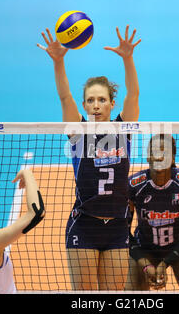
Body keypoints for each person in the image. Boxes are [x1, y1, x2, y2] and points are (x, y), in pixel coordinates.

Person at [38, 25, 141, 290]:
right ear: (84, 105)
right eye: (91, 100)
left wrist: (128, 59)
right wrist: (59, 61)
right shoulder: (78, 132)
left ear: (111, 104)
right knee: (85, 298)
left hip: (118, 225)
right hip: (84, 224)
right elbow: (64, 96)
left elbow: (134, 94)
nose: (96, 105)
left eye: (102, 100)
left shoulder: (124, 129)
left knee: (115, 296)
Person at [125, 134, 179, 291]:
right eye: (154, 151)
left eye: (164, 152)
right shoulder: (133, 186)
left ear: (173, 159)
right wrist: (145, 265)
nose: (159, 156)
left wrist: (166, 262)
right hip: (145, 248)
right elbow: (123, 232)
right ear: (148, 157)